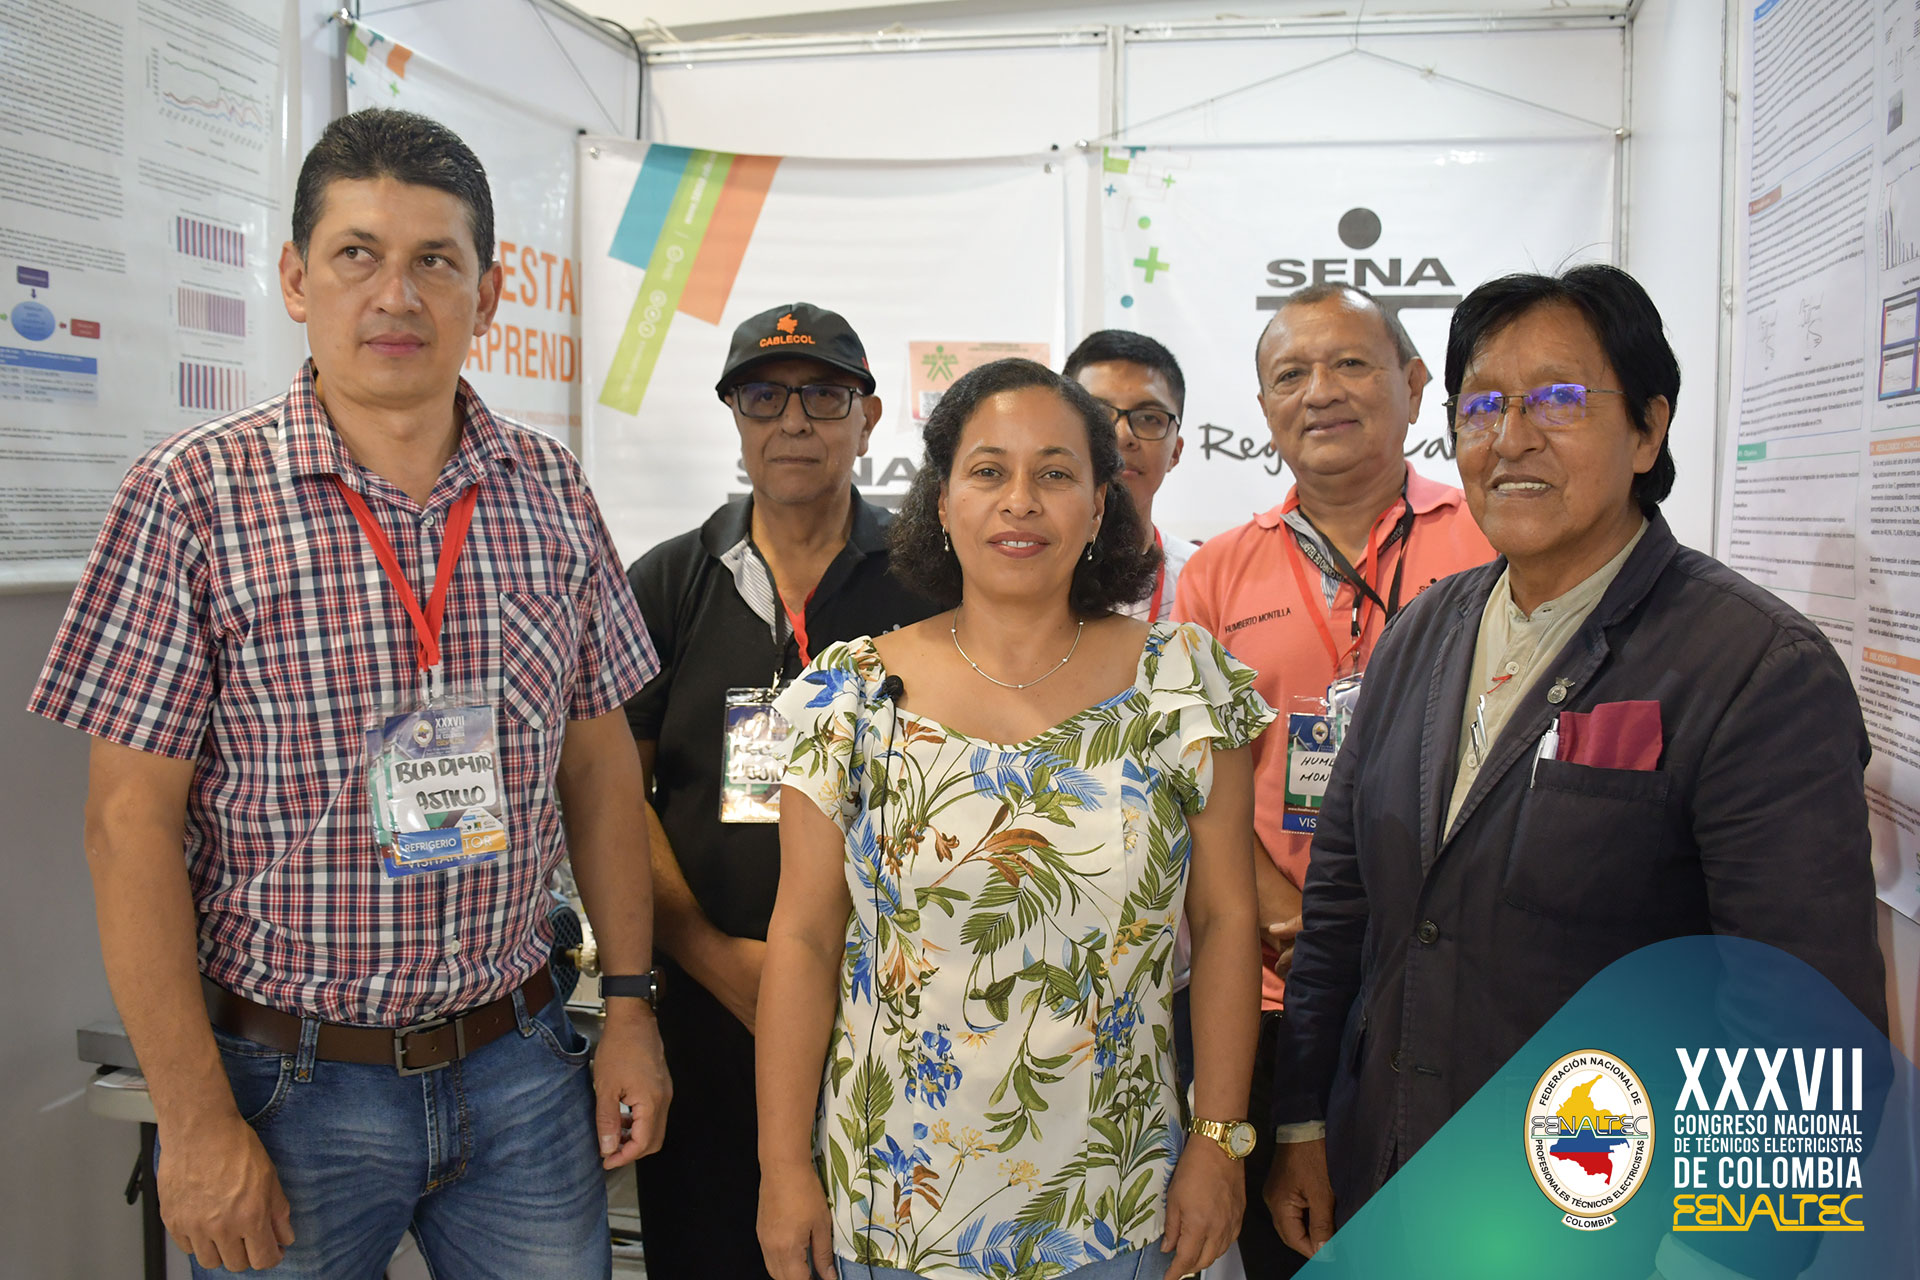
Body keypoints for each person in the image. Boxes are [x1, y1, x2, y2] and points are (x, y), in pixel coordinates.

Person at [27, 108, 669, 1277]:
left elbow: (600, 762)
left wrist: (628, 1004)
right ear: (295, 277)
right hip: (287, 1083)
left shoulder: (551, 491)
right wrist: (195, 1117)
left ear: (489, 291)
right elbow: (127, 825)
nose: (396, 295)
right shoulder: (191, 499)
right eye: (357, 254)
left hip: (522, 1065)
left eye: (436, 260)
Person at [1266, 264, 1890, 1261]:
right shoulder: (1426, 629)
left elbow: (1801, 1019)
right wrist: (1303, 1119)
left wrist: (1725, 1255)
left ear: (1647, 430)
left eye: (1557, 399)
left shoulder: (1754, 668)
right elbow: (1344, 902)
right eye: (1482, 405)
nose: (1511, 437)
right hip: (1395, 1181)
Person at [755, 358, 1272, 1280]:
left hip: (1119, 1200)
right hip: (890, 1203)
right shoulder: (851, 693)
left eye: (1056, 473)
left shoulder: (1180, 681)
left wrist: (1220, 1138)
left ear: (1100, 506)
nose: (1020, 501)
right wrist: (782, 1166)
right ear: (942, 502)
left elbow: (1229, 919)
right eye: (988, 471)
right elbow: (802, 938)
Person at [1172, 284, 1493, 1274]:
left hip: (1452, 977)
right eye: (1290, 374)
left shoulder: (1490, 538)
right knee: (1293, 1246)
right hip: (1271, 993)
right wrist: (1274, 903)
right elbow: (1188, 776)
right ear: (1264, 409)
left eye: (1351, 363)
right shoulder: (1216, 573)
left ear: (1414, 384)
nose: (1320, 391)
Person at [624, 301, 937, 1279]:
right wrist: (713, 955)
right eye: (764, 396)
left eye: (824, 396)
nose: (793, 421)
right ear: (733, 415)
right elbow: (613, 798)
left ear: (869, 417)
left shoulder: (932, 583)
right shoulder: (666, 582)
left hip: (890, 1020)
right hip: (706, 1017)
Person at [1065, 329, 1194, 622]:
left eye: (1149, 418)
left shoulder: (1204, 579)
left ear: (1175, 452)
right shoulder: (1019, 569)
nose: (1122, 436)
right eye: (1099, 413)